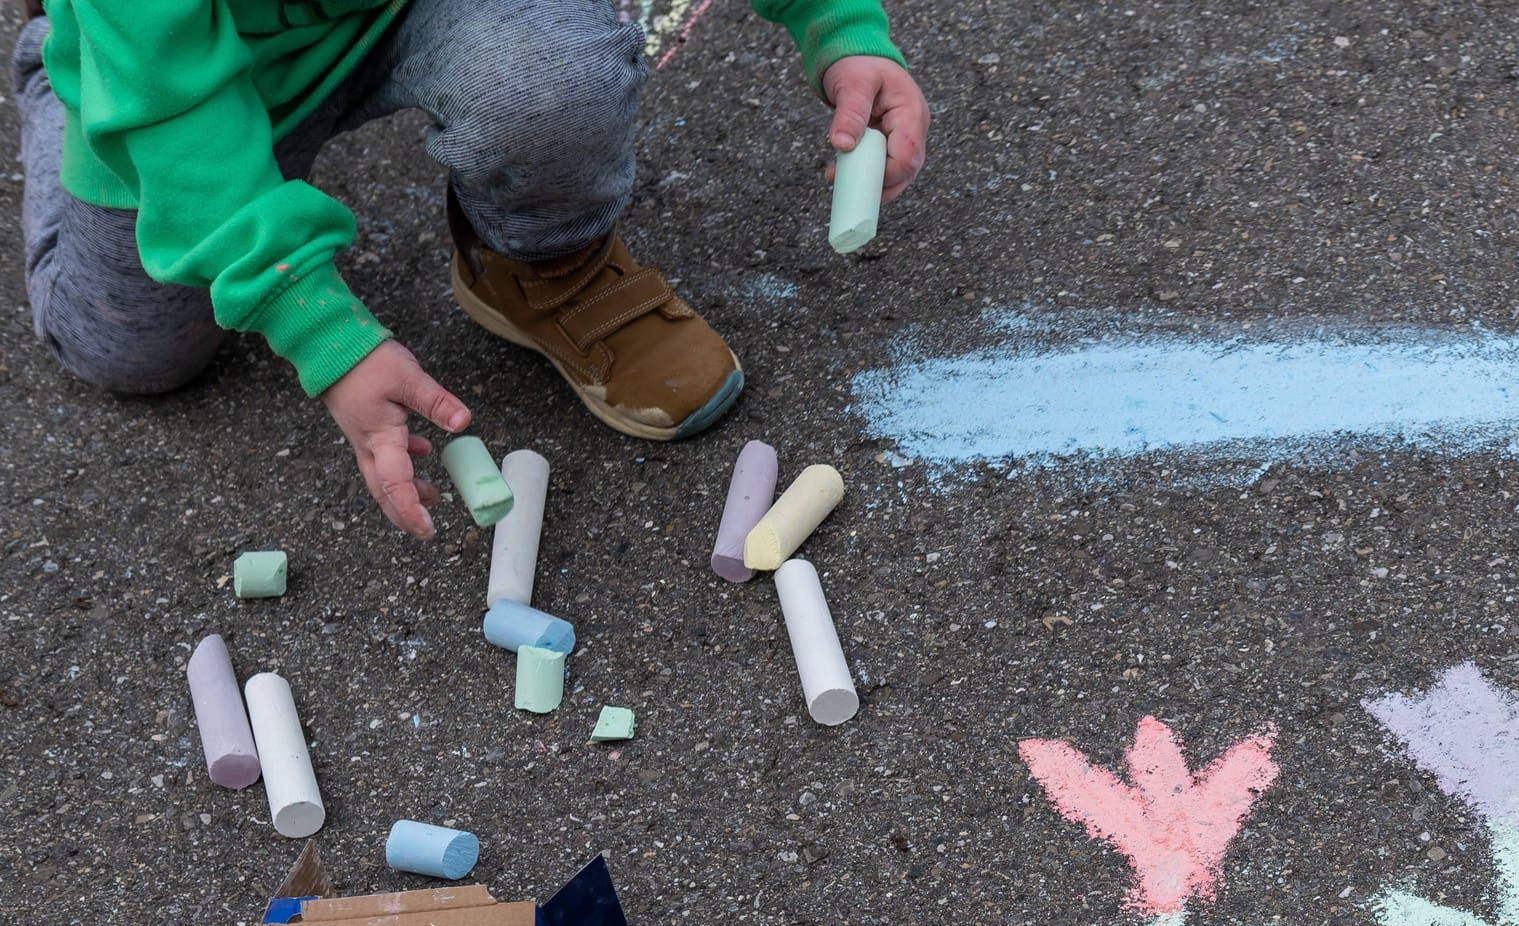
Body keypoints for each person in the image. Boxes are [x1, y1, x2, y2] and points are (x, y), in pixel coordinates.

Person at [12, 0, 929, 539]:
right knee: (131, 352)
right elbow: (178, 118)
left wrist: (839, 25)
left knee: (547, 80)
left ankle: (538, 263)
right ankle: (66, 77)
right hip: (172, 80)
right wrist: (316, 325)